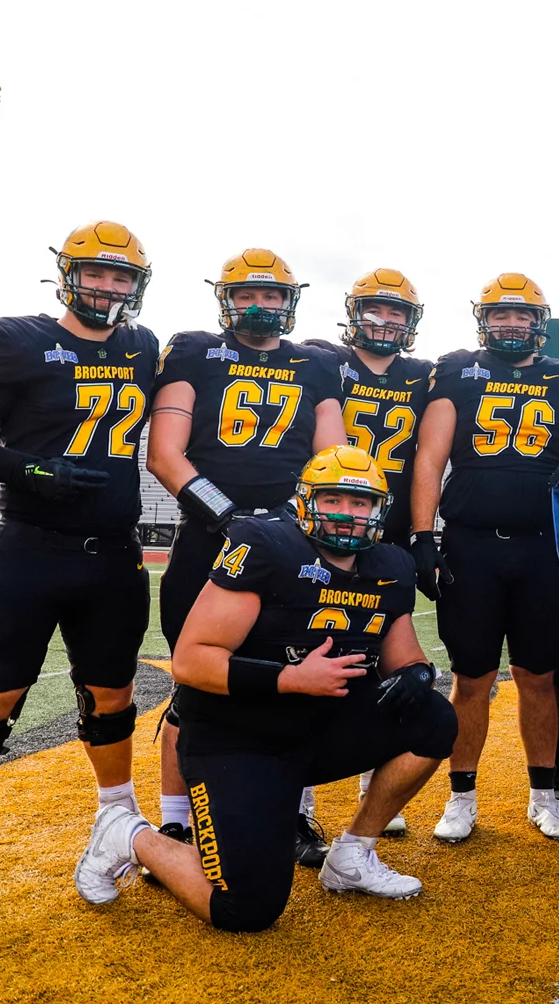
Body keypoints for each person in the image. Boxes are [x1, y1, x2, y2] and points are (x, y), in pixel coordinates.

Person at [73, 447, 456, 929]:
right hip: (237, 735)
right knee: (248, 908)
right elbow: (191, 660)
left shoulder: (391, 564)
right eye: (333, 499)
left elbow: (407, 656)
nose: (347, 514)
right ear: (304, 501)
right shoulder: (266, 545)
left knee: (435, 719)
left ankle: (352, 855)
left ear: (379, 510)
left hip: (316, 727)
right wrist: (291, 677)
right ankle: (127, 833)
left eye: (360, 503)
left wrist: (419, 674)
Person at [0, 223, 159, 907]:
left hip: (114, 556)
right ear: (67, 274)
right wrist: (30, 469)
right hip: (31, 547)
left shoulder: (141, 345)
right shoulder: (14, 340)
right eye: (96, 273)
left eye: (121, 276)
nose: (108, 287)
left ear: (138, 284)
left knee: (113, 696)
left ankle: (116, 818)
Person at [148, 249, 347, 869]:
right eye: (246, 294)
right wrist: (227, 515)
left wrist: (292, 520)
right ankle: (177, 823)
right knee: (192, 681)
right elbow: (164, 451)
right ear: (224, 299)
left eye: (271, 295)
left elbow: (333, 456)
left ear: (290, 302)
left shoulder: (316, 364)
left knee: (299, 674)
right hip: (212, 535)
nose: (259, 306)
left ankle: (295, 813)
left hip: (293, 540)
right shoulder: (193, 353)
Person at [410, 273, 559, 843]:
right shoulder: (459, 369)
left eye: (522, 316)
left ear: (539, 323)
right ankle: (461, 796)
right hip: (472, 543)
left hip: (543, 546)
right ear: (483, 320)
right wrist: (424, 536)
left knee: (538, 676)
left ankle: (544, 794)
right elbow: (430, 455)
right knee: (473, 677)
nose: (511, 324)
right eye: (501, 315)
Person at [303, 268, 433, 830]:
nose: (384, 321)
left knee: (387, 655)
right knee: (307, 646)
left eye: (396, 312)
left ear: (411, 322)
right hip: (329, 524)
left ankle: (371, 778)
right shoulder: (320, 361)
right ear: (353, 312)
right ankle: (298, 799)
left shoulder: (427, 376)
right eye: (375, 309)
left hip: (391, 527)